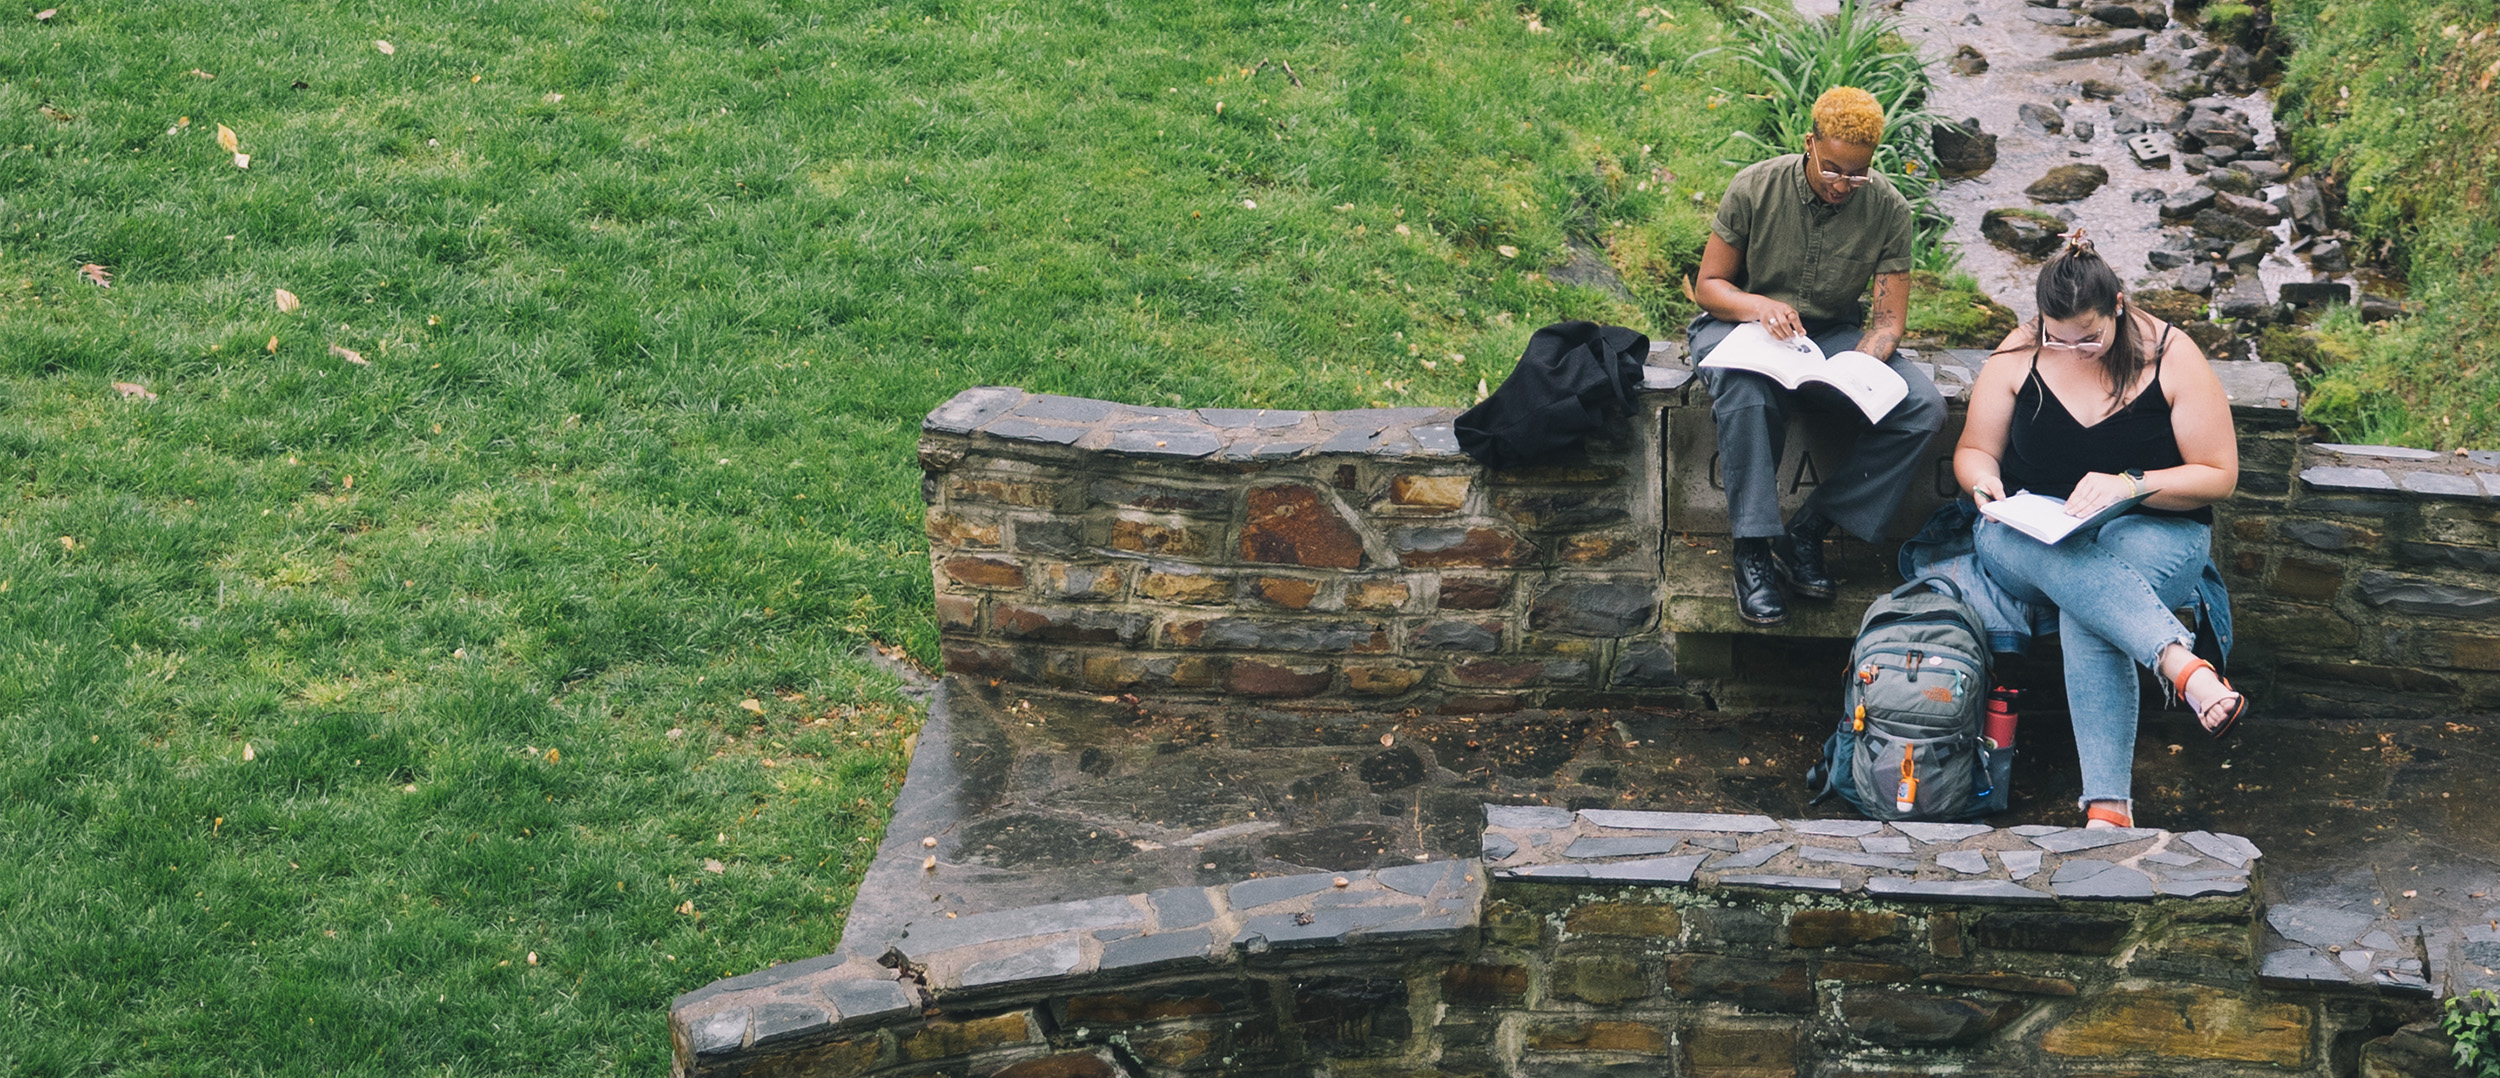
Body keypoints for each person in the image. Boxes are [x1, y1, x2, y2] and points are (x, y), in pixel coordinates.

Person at [1954, 232, 2246, 830]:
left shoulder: (2171, 354)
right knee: (2070, 574)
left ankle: (2109, 809)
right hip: (2029, 537)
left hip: (2154, 532)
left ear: (2117, 304)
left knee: (2086, 605)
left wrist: (2131, 483)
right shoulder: (2020, 353)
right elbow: (1975, 450)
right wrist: (1984, 484)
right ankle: (2183, 667)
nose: (2073, 350)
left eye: (2087, 336)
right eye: (2056, 337)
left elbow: (2220, 475)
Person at [1690, 86, 1947, 627]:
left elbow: (1886, 322)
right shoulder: (1755, 186)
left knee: (1922, 407)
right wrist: (1759, 306)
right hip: (1737, 324)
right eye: (1832, 170)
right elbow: (1709, 286)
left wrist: (1860, 369)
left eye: (1857, 175)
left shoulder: (1888, 209)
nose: (1842, 186)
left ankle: (1809, 529)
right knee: (1746, 388)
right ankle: (1754, 551)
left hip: (1827, 336)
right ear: (1809, 144)